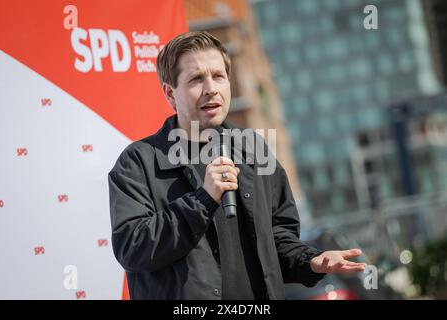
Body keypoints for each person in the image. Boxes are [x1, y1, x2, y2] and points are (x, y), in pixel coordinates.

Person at [108, 31, 366, 300]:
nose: (211, 88)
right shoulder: (138, 162)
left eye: (219, 76)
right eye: (197, 78)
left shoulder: (253, 149)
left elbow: (277, 236)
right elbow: (132, 248)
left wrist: (310, 261)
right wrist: (203, 200)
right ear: (170, 93)